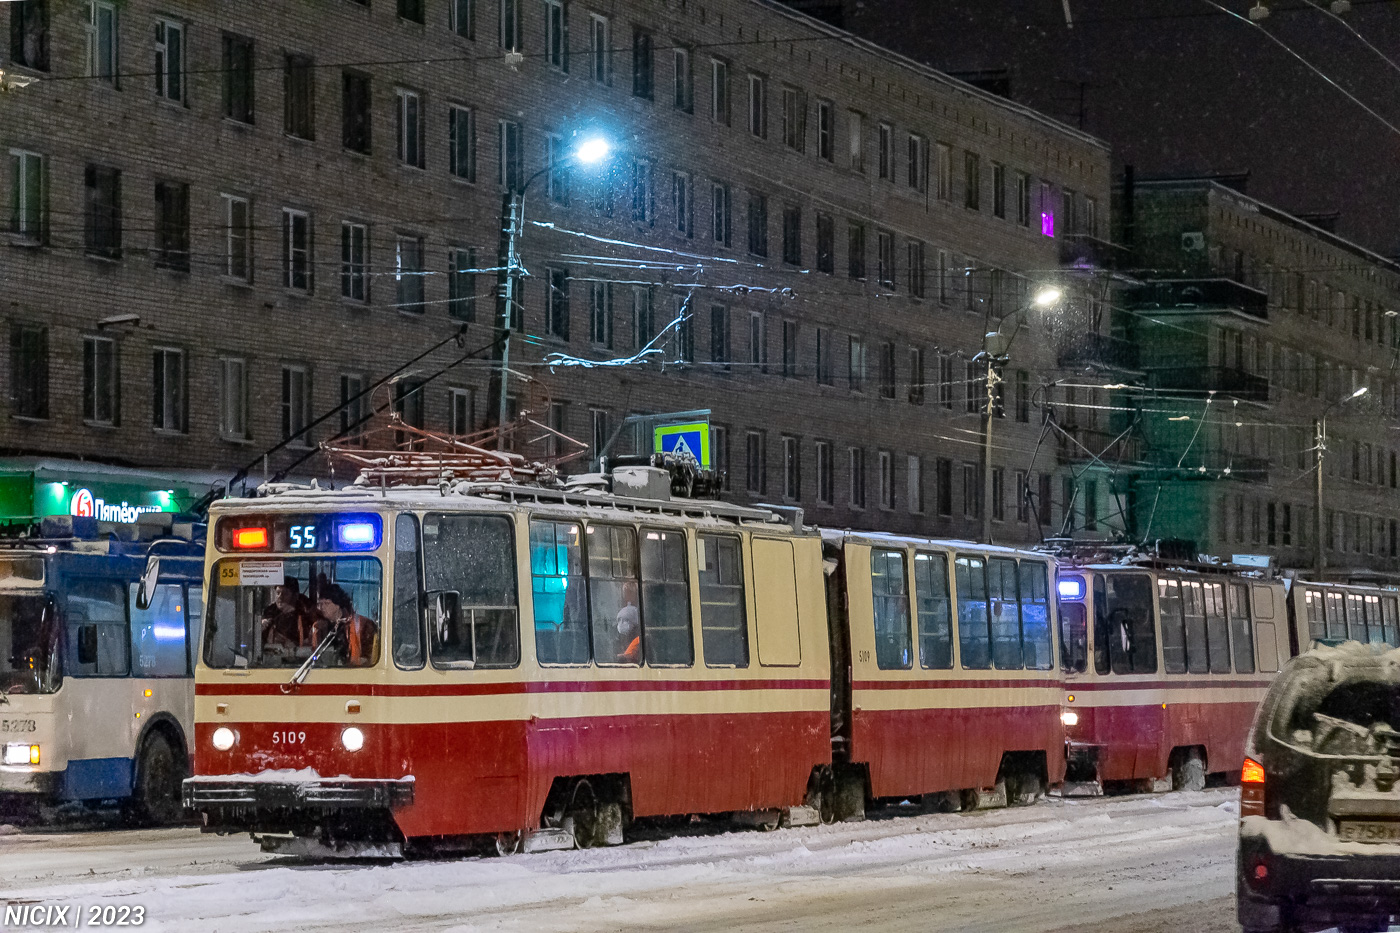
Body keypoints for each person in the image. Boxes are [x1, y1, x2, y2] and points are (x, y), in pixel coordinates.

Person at [316, 582, 379, 666]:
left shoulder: (363, 624)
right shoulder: (317, 627)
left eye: (327, 603)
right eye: (320, 604)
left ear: (338, 604)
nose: (322, 607)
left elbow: (371, 657)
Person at [260, 578, 312, 655]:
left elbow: (311, 643)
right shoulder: (269, 613)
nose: (280, 597)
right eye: (278, 593)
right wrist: (260, 628)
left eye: (285, 593)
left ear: (295, 595)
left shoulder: (305, 616)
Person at [616, 580, 641, 664]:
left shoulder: (629, 611)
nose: (624, 596)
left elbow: (622, 630)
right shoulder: (633, 610)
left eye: (626, 593)